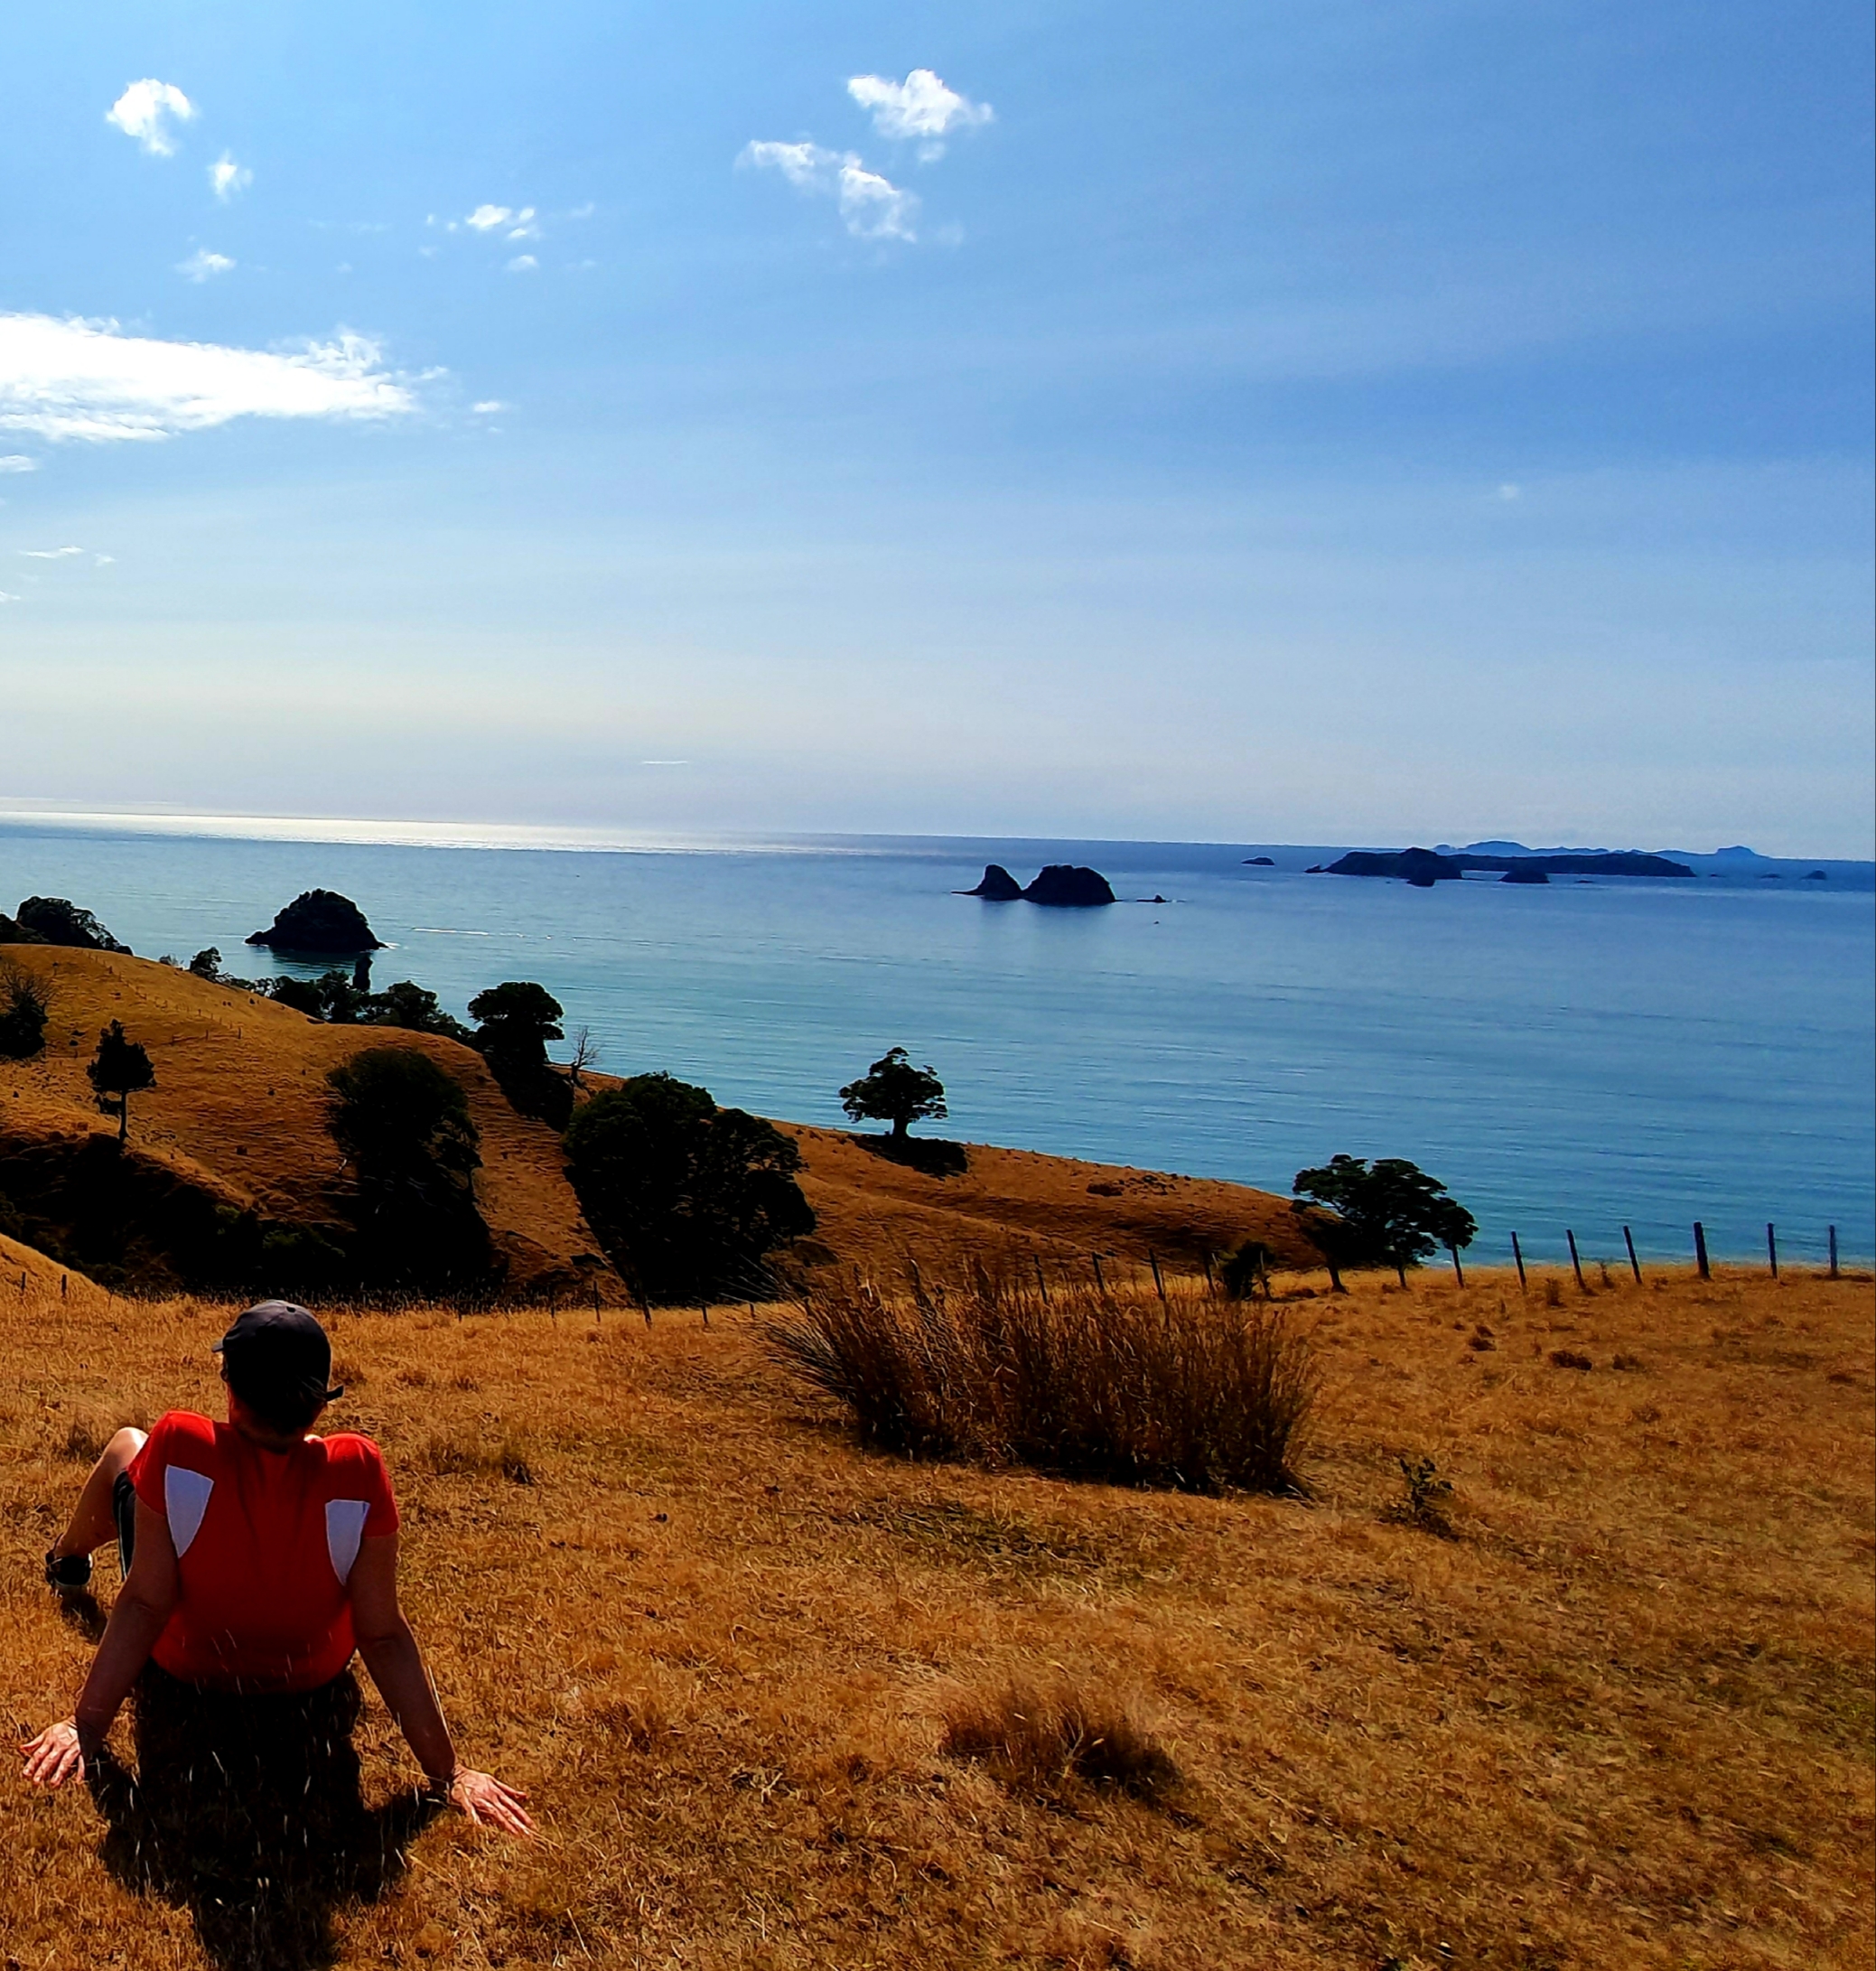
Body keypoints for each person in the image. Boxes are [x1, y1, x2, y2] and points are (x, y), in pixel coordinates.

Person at [21, 1301, 532, 1838]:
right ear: (317, 1405)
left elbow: (146, 1602)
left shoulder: (180, 1444)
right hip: (305, 1678)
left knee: (128, 1445)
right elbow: (382, 1635)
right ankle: (68, 1557)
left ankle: (67, 1558)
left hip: (188, 1666)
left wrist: (85, 1725)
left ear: (231, 1387)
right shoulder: (359, 1469)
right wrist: (449, 1772)